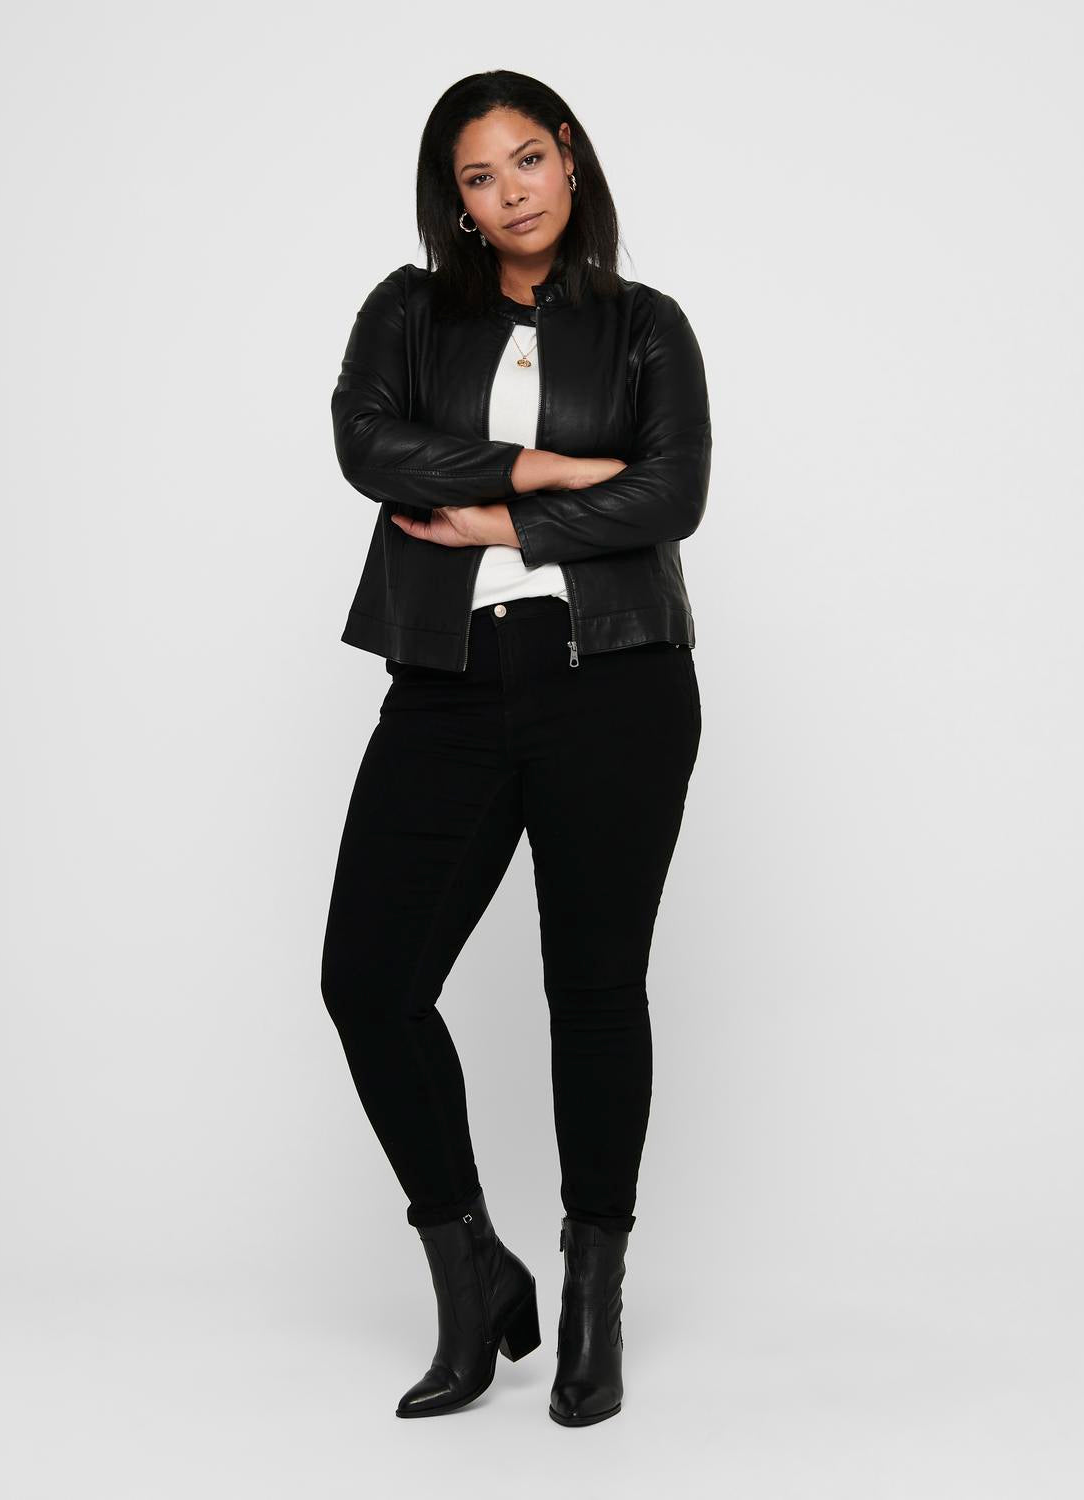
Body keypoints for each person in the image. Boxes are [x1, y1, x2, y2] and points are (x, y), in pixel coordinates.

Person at [320, 69, 711, 1426]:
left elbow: (673, 491)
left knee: (592, 989)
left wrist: (498, 525)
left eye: (527, 159)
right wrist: (541, 470)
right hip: (449, 680)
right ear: (457, 202)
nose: (510, 192)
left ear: (571, 160)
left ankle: (593, 1292)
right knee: (369, 982)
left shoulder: (646, 326)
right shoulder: (408, 310)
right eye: (478, 177)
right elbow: (367, 445)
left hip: (616, 678)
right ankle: (471, 1271)